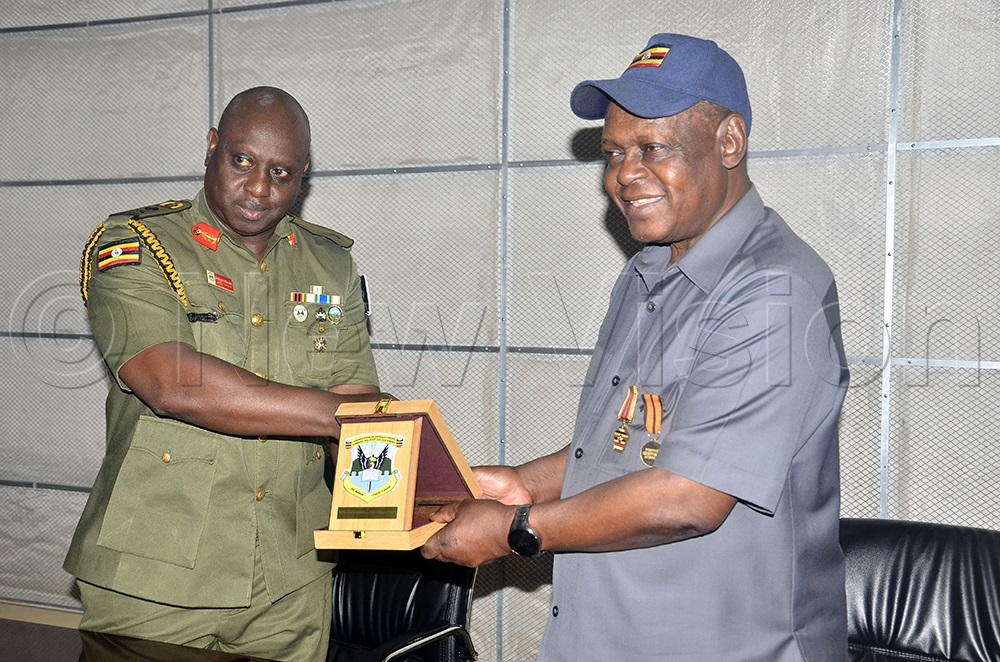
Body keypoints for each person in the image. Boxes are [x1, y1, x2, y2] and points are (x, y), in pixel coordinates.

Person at [422, 34, 850, 661]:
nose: (624, 174)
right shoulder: (647, 271)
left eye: (653, 148)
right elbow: (629, 439)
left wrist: (517, 531)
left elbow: (687, 497)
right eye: (615, 152)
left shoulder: (773, 291)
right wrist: (523, 484)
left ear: (729, 141)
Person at [66, 86, 387, 662]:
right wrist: (338, 417)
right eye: (243, 161)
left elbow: (356, 394)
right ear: (212, 147)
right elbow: (170, 383)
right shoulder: (137, 245)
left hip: (288, 582)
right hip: (156, 580)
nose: (260, 188)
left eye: (282, 172)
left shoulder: (330, 264)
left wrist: (407, 489)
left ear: (304, 176)